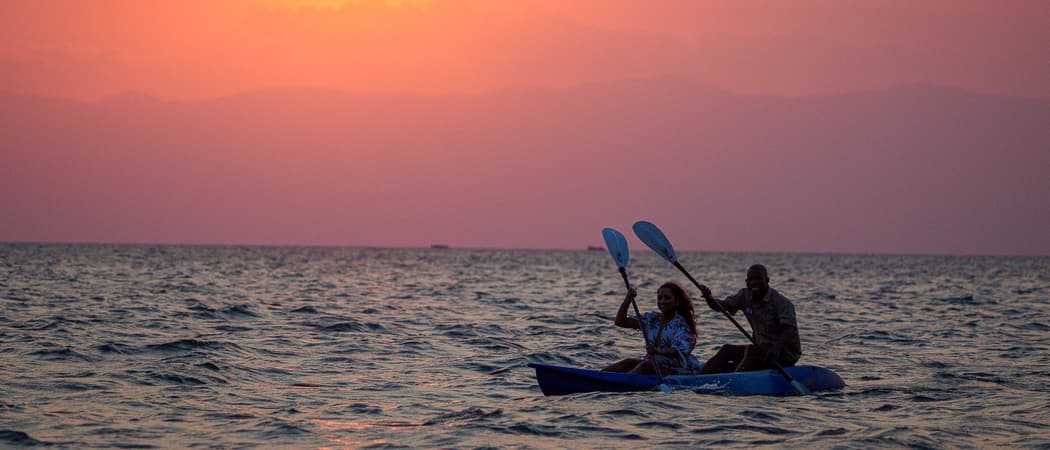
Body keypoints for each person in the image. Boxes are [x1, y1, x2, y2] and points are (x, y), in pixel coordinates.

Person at [697, 264, 801, 374]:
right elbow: (721, 306)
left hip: (784, 353)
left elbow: (789, 329)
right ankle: (700, 378)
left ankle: (735, 379)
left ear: (767, 280)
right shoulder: (744, 295)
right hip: (761, 349)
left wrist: (776, 349)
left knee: (753, 351)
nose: (754, 283)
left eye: (758, 279)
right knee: (727, 350)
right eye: (750, 280)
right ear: (746, 281)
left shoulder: (781, 302)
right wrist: (709, 297)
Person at [602, 281, 702, 375]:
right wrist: (628, 299)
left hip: (680, 369)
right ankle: (599, 377)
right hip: (653, 363)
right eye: (660, 298)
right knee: (628, 362)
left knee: (647, 365)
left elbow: (678, 351)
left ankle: (619, 382)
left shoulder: (683, 324)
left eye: (667, 298)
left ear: (677, 302)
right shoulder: (652, 319)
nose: (662, 301)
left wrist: (657, 350)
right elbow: (620, 322)